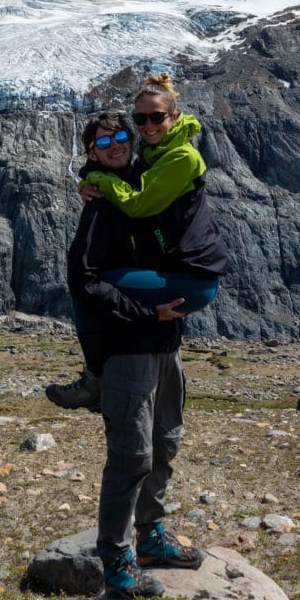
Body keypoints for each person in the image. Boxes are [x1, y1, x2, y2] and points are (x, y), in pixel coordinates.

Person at [48, 111, 206, 600]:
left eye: (122, 136)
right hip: (128, 348)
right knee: (131, 456)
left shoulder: (144, 188)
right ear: (92, 152)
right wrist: (144, 312)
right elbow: (84, 281)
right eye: (103, 141)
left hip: (164, 345)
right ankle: (116, 560)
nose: (116, 144)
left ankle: (152, 536)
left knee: (165, 443)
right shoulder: (99, 208)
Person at [47, 72, 227, 411]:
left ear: (173, 117)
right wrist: (86, 178)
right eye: (141, 118)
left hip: (193, 280)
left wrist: (95, 176)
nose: (148, 125)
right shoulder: (153, 150)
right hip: (184, 274)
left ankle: (93, 379)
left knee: (88, 287)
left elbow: (138, 202)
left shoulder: (181, 157)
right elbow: (126, 174)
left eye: (156, 117)